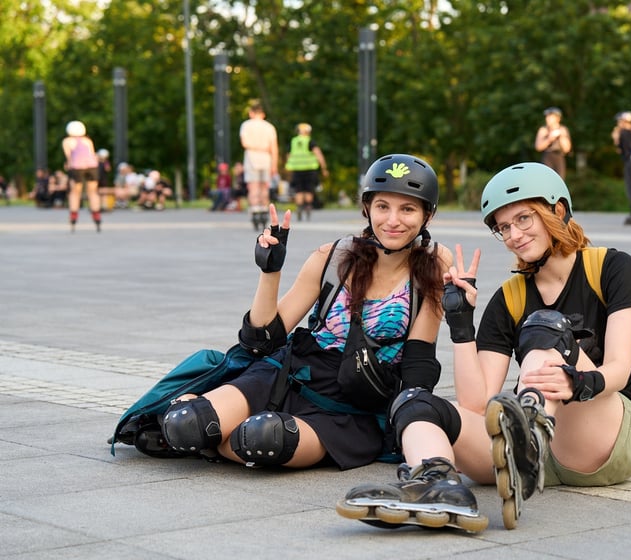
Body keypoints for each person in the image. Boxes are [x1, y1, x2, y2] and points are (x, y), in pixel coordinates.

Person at [150, 154, 493, 526]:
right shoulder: (333, 256)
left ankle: (218, 438)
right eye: (382, 206)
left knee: (263, 439)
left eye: (407, 209)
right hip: (287, 375)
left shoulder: (433, 263)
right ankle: (205, 426)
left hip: (352, 405)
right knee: (185, 424)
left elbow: (418, 361)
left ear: (427, 216)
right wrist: (270, 270)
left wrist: (409, 422)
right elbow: (262, 338)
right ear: (367, 208)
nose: (393, 220)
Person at [340, 162, 631, 532]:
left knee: (545, 325)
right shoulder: (510, 296)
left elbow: (619, 370)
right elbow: (477, 402)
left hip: (605, 438)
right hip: (530, 461)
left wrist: (576, 382)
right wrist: (460, 324)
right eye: (504, 228)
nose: (514, 235)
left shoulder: (611, 267)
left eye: (524, 219)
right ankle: (436, 485)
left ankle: (528, 430)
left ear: (557, 210)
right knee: (415, 402)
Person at [240, 100, 279, 230]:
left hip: (251, 158)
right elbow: (274, 147)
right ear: (263, 114)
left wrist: (256, 146)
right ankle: (263, 209)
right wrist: (274, 164)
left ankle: (255, 209)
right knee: (264, 187)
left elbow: (245, 143)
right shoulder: (269, 127)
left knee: (253, 186)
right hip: (266, 159)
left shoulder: (246, 125)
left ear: (251, 113)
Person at [62, 120, 103, 232]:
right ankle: (96, 216)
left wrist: (68, 165)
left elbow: (69, 157)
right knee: (92, 192)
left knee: (75, 192)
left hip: (77, 167)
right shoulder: (88, 140)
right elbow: (92, 154)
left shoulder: (67, 141)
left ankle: (73, 216)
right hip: (92, 167)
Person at [285, 122, 329, 221]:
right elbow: (318, 154)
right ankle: (308, 206)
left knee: (298, 190)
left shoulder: (293, 141)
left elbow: (288, 155)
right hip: (310, 169)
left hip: (296, 170)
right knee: (309, 189)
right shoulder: (310, 141)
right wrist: (324, 168)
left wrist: (288, 167)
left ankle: (300, 207)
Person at [534, 107, 572, 180]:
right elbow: (538, 147)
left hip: (559, 157)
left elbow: (567, 149)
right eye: (547, 116)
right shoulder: (543, 130)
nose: (547, 119)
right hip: (547, 157)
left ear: (557, 118)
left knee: (560, 180)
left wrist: (560, 136)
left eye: (550, 116)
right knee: (547, 180)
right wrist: (549, 139)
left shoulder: (563, 129)